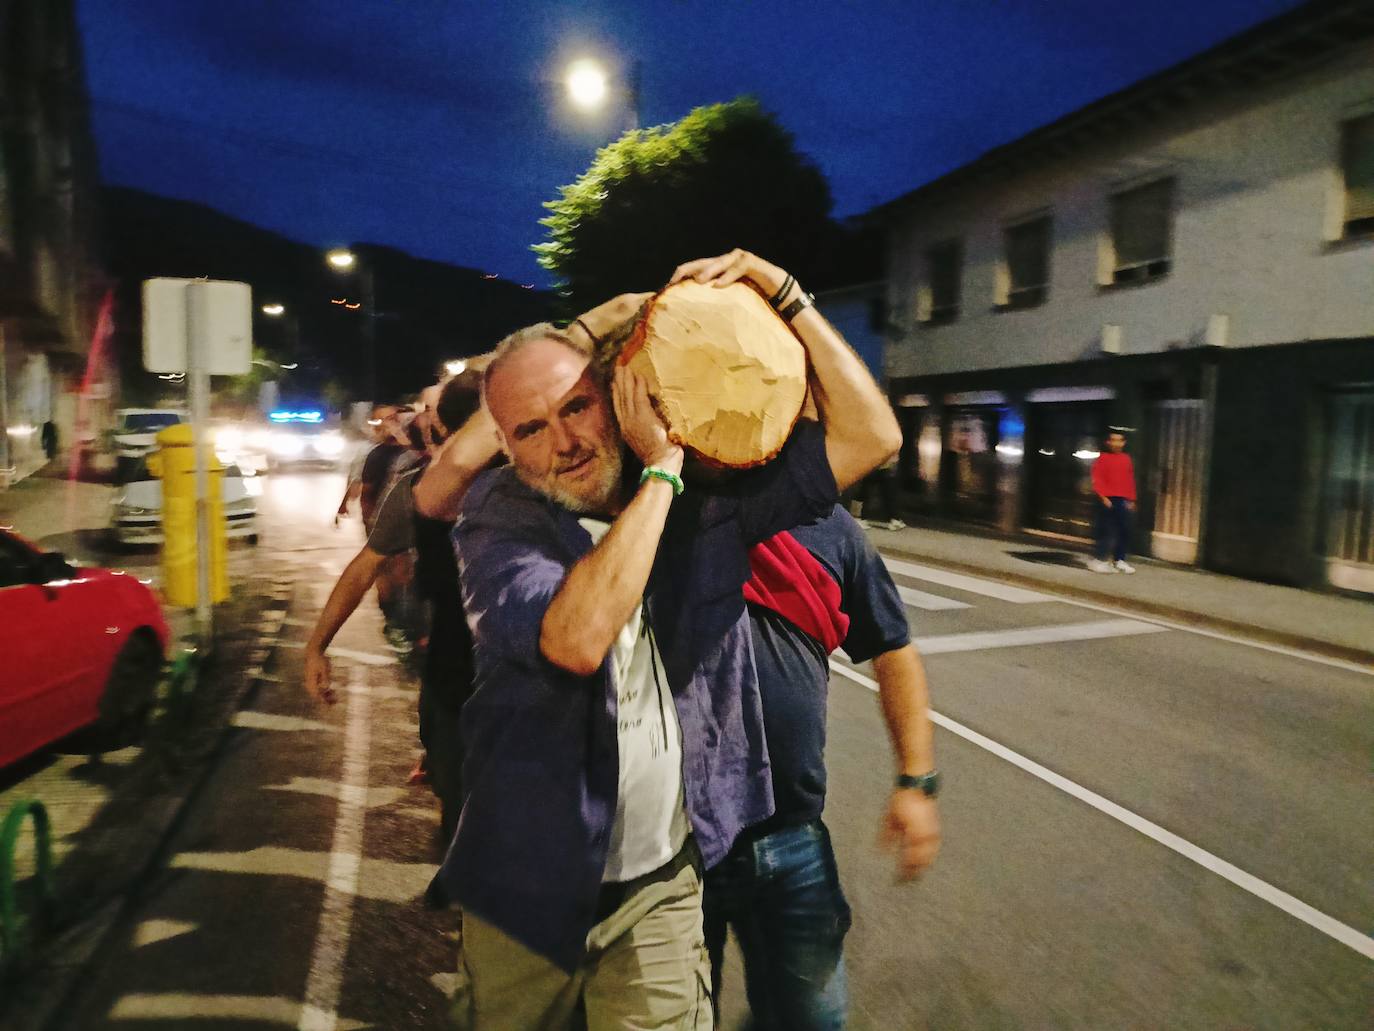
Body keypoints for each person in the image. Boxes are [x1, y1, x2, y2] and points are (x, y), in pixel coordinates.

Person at [441, 249, 902, 1031]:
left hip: (660, 885)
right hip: (527, 883)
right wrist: (659, 474)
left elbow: (872, 436)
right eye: (532, 428)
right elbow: (579, 637)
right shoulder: (500, 519)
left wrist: (783, 290)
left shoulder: (705, 502)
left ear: (616, 393)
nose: (565, 439)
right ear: (508, 452)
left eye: (577, 406)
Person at [703, 504, 939, 1030]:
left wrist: (916, 780)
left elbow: (893, 647)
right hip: (679, 847)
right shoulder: (666, 502)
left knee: (811, 1022)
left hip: (792, 840)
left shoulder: (826, 525)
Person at [304, 378, 496, 836]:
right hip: (457, 676)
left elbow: (362, 567)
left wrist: (317, 647)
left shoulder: (532, 482)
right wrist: (317, 645)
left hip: (493, 681)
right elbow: (364, 566)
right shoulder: (418, 490)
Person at [1088, 429, 1136, 574]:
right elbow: (1097, 479)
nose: (1116, 443)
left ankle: (1119, 560)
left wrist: (1132, 498)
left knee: (1124, 530)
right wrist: (1103, 497)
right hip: (1108, 499)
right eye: (1113, 440)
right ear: (1108, 442)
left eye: (1119, 440)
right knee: (1106, 530)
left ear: (1124, 442)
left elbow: (1129, 480)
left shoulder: (1126, 459)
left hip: (1123, 499)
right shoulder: (1103, 458)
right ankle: (1099, 560)